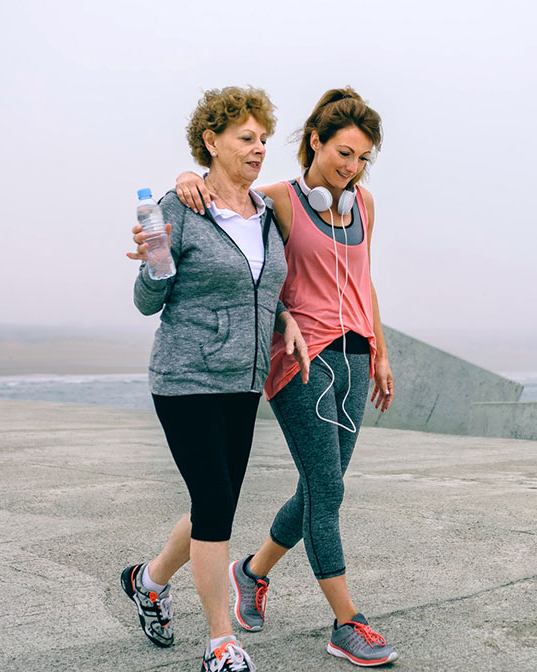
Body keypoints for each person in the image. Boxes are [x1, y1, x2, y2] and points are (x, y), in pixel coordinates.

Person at [171, 87, 398, 667]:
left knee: (321, 488)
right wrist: (185, 178)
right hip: (299, 363)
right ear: (314, 142)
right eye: (343, 153)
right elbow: (225, 195)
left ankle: (251, 572)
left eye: (362, 158)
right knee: (328, 490)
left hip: (353, 359)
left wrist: (381, 350)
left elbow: (365, 278)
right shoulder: (281, 200)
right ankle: (348, 622)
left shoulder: (364, 205)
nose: (352, 168)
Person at [122, 85, 309, 672]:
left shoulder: (267, 217)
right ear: (211, 141)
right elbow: (147, 301)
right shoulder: (179, 208)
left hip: (243, 381)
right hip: (186, 378)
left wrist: (284, 318)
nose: (257, 150)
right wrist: (154, 263)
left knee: (216, 503)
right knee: (213, 502)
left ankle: (149, 581)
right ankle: (222, 643)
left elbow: (261, 285)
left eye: (261, 140)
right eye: (245, 139)